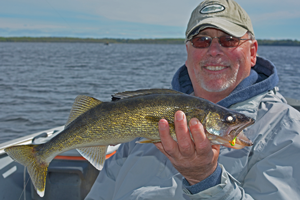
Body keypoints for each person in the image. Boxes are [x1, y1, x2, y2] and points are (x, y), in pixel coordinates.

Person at [85, 0, 300, 199]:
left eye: (229, 40)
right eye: (201, 41)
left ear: (252, 52)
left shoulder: (287, 130)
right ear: (188, 52)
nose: (214, 51)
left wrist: (206, 180)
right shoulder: (149, 114)